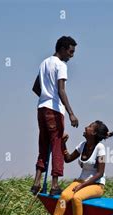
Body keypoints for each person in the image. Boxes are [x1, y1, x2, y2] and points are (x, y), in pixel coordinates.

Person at [42, 121, 113, 215]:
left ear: (94, 133)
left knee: (76, 198)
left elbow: (100, 173)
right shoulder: (82, 145)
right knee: (64, 196)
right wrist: (63, 143)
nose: (86, 127)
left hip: (96, 185)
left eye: (90, 127)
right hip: (81, 181)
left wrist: (82, 186)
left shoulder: (100, 148)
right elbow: (68, 158)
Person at [31, 36, 79, 196]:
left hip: (41, 109)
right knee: (57, 145)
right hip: (55, 111)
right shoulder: (61, 65)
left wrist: (45, 96)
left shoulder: (44, 63)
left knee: (43, 145)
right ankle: (54, 185)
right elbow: (61, 90)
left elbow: (36, 87)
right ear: (63, 49)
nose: (71, 55)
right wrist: (71, 113)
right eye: (71, 52)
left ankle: (36, 182)